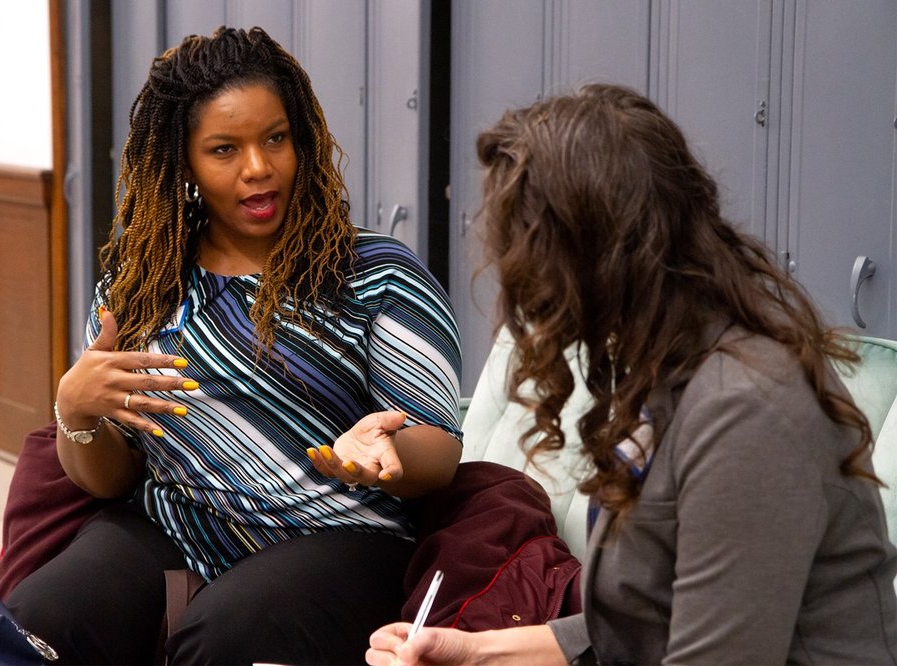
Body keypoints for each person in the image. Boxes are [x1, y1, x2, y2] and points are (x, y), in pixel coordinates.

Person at [367, 83, 897, 664]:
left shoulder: (748, 413)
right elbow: (634, 622)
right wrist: (471, 652)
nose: (522, 289)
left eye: (530, 255)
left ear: (595, 258)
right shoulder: (664, 372)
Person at [6, 26, 463, 666]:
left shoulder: (378, 274)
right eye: (224, 149)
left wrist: (387, 452)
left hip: (343, 535)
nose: (258, 167)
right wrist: (77, 413)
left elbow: (439, 451)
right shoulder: (141, 281)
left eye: (275, 138)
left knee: (221, 636)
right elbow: (110, 481)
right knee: (40, 620)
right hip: (172, 528)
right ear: (183, 163)